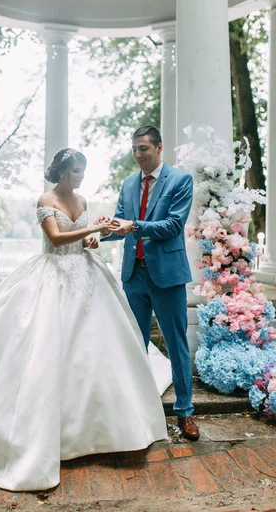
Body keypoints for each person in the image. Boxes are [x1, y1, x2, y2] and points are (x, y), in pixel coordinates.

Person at [0, 147, 171, 492]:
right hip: (52, 275)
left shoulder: (81, 200)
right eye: (76, 171)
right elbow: (55, 238)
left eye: (83, 171)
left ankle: (111, 425)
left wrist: (97, 236)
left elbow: (87, 242)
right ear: (62, 172)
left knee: (100, 348)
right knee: (42, 345)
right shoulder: (44, 199)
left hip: (87, 274)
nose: (80, 177)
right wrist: (90, 229)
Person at [96, 125, 199, 441]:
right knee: (133, 343)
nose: (138, 154)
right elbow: (120, 226)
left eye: (143, 148)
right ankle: (136, 409)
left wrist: (134, 225)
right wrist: (97, 233)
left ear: (159, 147)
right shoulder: (128, 184)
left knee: (176, 342)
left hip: (167, 276)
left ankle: (185, 413)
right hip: (133, 275)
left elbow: (172, 226)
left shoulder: (180, 181)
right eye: (134, 149)